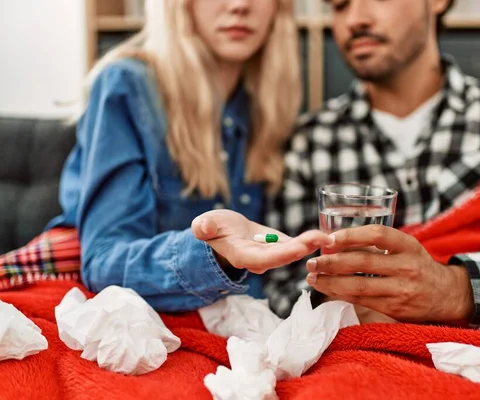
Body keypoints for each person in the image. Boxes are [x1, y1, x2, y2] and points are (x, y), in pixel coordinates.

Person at [193, 0, 480, 332]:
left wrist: (455, 291)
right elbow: (282, 284)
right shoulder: (309, 142)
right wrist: (341, 303)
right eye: (338, 5)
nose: (355, 19)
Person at [37, 0, 332, 312]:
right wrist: (215, 254)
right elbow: (104, 261)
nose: (240, 5)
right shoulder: (128, 85)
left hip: (239, 329)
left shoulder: (266, 106)